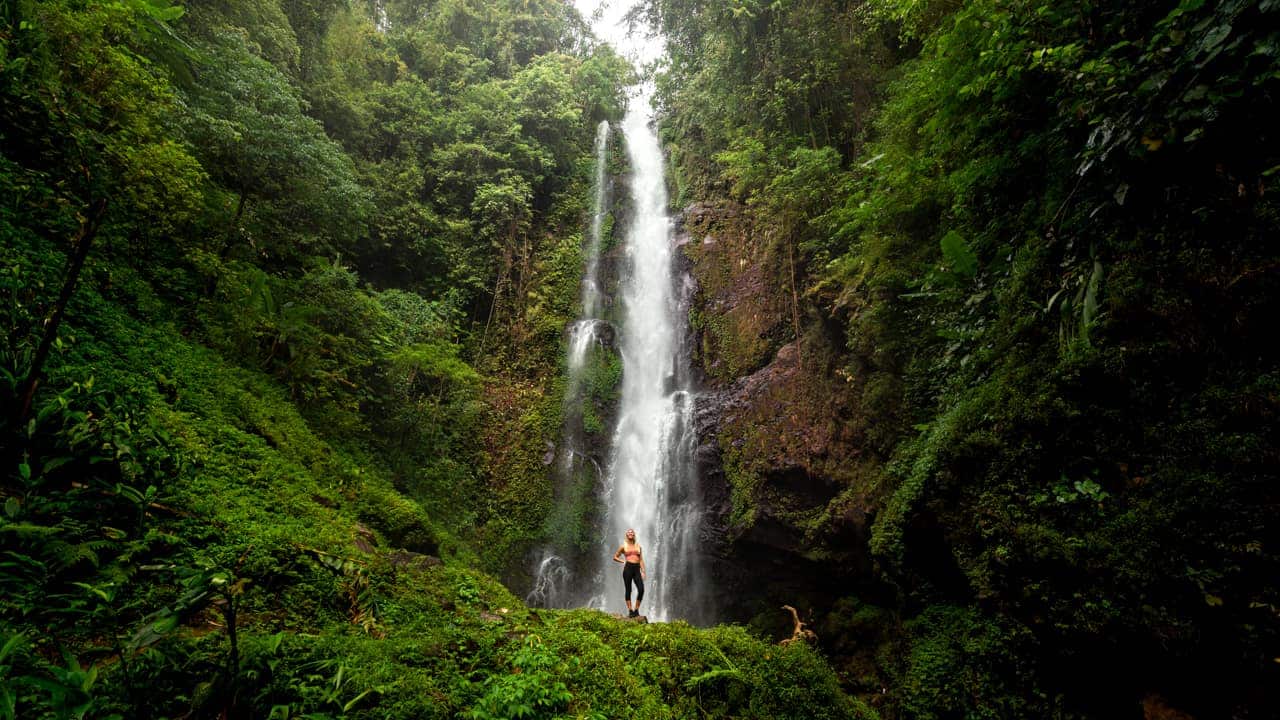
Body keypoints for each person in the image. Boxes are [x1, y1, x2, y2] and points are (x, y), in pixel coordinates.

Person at [611, 528, 646, 617]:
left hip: (637, 569)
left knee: (641, 589)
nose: (630, 533)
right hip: (628, 568)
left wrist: (643, 571)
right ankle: (630, 610)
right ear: (627, 535)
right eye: (629, 532)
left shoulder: (638, 546)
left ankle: (636, 609)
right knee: (628, 590)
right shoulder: (623, 546)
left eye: (632, 532)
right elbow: (615, 557)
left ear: (634, 535)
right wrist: (623, 561)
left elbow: (641, 560)